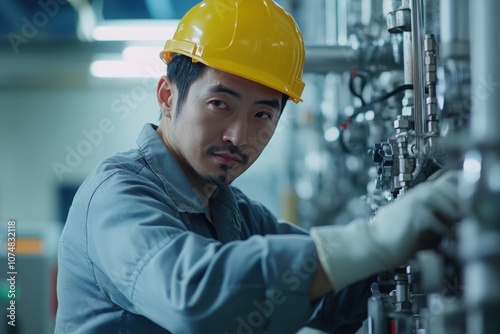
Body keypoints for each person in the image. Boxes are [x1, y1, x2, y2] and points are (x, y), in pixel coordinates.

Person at [55, 1, 462, 333]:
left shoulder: (233, 212)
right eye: (220, 105)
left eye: (262, 115)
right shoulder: (117, 195)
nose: (238, 135)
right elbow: (192, 294)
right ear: (167, 95)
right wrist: (374, 239)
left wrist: (416, 245)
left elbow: (321, 295)